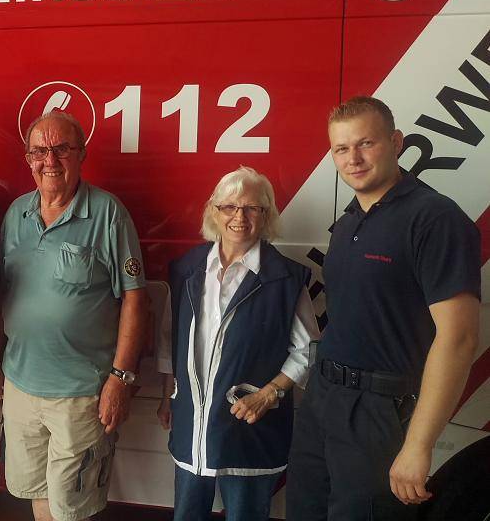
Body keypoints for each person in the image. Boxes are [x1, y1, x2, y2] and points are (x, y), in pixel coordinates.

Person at [286, 96, 481, 520]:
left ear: (396, 142)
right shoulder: (352, 218)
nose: (353, 158)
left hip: (380, 411)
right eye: (341, 148)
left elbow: (460, 338)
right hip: (324, 399)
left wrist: (417, 444)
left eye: (366, 144)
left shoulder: (434, 219)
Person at [0, 111, 148, 521]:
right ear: (27, 158)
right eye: (39, 151)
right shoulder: (16, 214)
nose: (50, 160)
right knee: (38, 493)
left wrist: (121, 378)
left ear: (82, 154)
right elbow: (2, 297)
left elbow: (135, 299)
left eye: (61, 149)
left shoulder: (108, 214)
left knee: (72, 507)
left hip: (81, 393)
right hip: (20, 386)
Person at [157, 167, 320, 521]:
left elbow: (307, 350)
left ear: (266, 216)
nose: (239, 217)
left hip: (250, 422)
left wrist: (269, 394)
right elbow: (172, 336)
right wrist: (168, 392)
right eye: (229, 207)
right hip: (193, 420)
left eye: (251, 208)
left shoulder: (286, 277)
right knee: (187, 514)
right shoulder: (187, 269)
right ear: (214, 212)